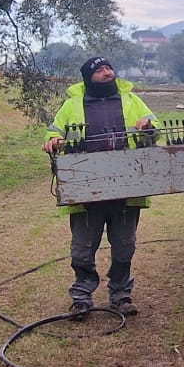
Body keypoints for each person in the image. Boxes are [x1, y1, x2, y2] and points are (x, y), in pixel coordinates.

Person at [43, 55, 157, 316]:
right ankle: (82, 297)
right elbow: (53, 131)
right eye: (100, 70)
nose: (107, 72)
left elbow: (155, 128)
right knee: (82, 249)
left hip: (126, 186)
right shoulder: (72, 104)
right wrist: (52, 139)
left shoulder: (131, 100)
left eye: (109, 68)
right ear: (88, 77)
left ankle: (121, 294)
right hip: (86, 188)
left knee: (124, 246)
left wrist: (147, 126)